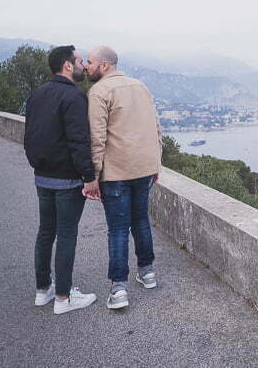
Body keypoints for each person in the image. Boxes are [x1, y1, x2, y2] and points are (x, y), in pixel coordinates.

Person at [84, 45, 162, 310]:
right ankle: (147, 271)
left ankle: (119, 288)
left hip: (116, 171)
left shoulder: (99, 91)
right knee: (141, 220)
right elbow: (156, 127)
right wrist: (156, 163)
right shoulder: (141, 87)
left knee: (118, 228)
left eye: (90, 62)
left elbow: (97, 137)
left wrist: (92, 176)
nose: (86, 66)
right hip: (143, 168)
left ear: (104, 65)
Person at [23, 45, 100, 314]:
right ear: (68, 65)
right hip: (67, 180)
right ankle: (64, 298)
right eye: (79, 61)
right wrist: (89, 177)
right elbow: (79, 141)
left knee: (45, 233)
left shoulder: (38, 94)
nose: (83, 66)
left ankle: (43, 291)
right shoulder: (74, 97)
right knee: (66, 235)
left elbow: (29, 135)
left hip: (42, 178)